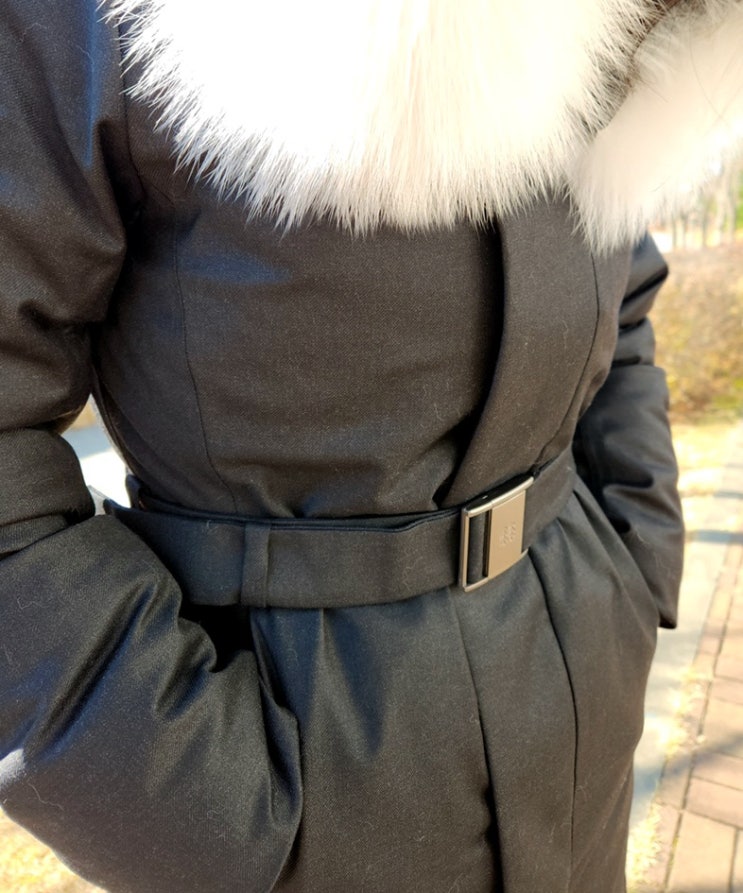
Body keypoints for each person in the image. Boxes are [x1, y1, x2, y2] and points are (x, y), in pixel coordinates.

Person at [0, 1, 741, 891]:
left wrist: (636, 555)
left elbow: (621, 276)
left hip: (581, 694)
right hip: (284, 768)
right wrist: (202, 814)